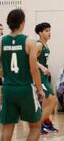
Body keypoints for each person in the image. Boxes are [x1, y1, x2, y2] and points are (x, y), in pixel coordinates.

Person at [0, 9, 45, 141]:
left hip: (8, 89)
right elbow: (34, 69)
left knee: (7, 128)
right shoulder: (29, 41)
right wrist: (40, 89)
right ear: (22, 22)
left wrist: (6, 75)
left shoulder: (2, 41)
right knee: (36, 127)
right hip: (25, 88)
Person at [35, 22, 58, 134]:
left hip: (44, 77)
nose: (49, 33)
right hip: (39, 78)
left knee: (45, 103)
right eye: (46, 31)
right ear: (40, 33)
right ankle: (37, 126)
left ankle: (46, 123)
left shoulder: (45, 44)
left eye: (50, 30)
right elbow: (30, 59)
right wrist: (42, 67)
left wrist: (46, 69)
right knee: (53, 101)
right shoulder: (38, 45)